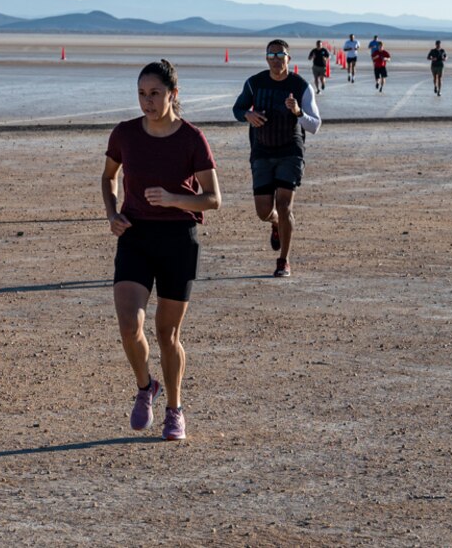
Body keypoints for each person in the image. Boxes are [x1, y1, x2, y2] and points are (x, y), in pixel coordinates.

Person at [101, 59, 221, 441]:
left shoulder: (191, 139)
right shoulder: (124, 134)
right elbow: (108, 177)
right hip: (135, 236)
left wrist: (173, 199)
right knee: (128, 324)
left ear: (173, 94)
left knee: (167, 334)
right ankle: (144, 387)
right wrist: (112, 212)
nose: (147, 102)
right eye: (141, 94)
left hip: (178, 240)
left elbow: (213, 199)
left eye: (154, 94)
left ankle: (175, 409)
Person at [232, 39, 322, 278]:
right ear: (266, 59)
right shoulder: (254, 83)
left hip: (290, 151)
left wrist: (297, 112)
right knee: (264, 211)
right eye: (271, 56)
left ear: (288, 59)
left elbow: (315, 125)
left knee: (285, 206)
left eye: (280, 55)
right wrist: (248, 114)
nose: (276, 60)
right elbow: (237, 109)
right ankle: (275, 223)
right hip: (262, 150)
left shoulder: (301, 86)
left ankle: (284, 260)